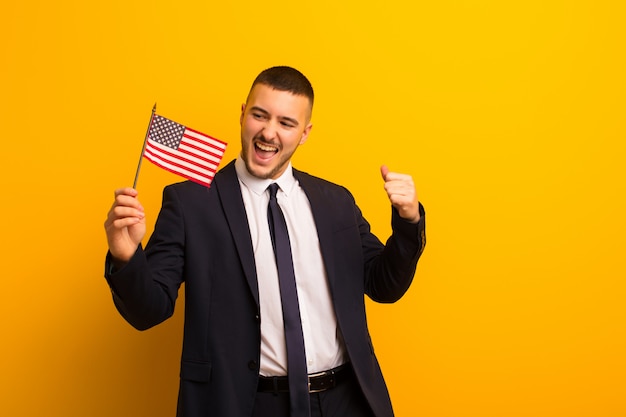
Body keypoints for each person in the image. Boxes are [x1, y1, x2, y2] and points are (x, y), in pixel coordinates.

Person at [104, 66, 426, 417]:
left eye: (286, 123)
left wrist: (408, 222)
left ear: (304, 132)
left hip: (345, 401)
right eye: (259, 115)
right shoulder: (191, 204)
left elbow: (383, 285)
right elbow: (149, 310)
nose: (268, 132)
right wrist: (125, 256)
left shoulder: (335, 202)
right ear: (243, 114)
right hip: (250, 405)